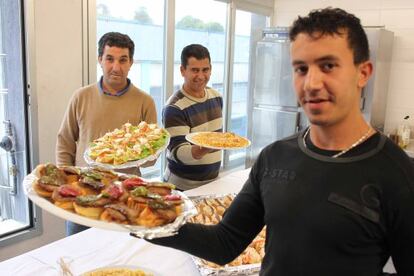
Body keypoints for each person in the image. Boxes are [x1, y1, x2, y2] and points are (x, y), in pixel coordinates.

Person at [144, 8, 414, 275]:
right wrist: (139, 215)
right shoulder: (274, 157)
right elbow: (223, 243)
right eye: (301, 68)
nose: (311, 83)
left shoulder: (399, 174)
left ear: (363, 73)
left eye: (328, 65)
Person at [56, 32, 157, 235]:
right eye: (110, 59)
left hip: (126, 197)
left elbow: (151, 160)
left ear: (131, 63)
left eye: (123, 60)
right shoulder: (81, 97)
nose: (116, 67)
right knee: (80, 255)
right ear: (99, 59)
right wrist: (68, 185)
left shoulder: (145, 101)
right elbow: (65, 142)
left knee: (123, 259)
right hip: (84, 194)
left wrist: (137, 155)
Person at [162, 44, 223, 190]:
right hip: (181, 187)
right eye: (195, 70)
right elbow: (179, 152)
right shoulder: (174, 107)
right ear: (183, 70)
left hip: (212, 183)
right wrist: (206, 147)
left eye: (205, 70)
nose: (201, 76)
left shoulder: (217, 97)